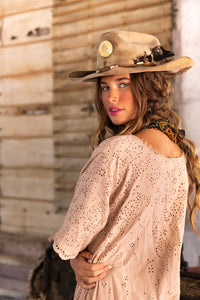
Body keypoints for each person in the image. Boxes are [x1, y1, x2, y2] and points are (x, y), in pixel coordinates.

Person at [49, 31, 200, 300]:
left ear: (149, 87)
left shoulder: (115, 151)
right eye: (105, 87)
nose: (111, 97)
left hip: (107, 290)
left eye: (123, 84)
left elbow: (71, 239)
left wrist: (76, 260)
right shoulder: (178, 152)